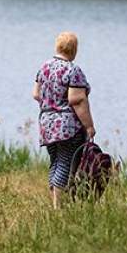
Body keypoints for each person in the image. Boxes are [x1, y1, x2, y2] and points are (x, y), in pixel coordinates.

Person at [32, 31, 95, 209]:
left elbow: (36, 94)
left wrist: (50, 103)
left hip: (46, 124)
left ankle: (55, 201)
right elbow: (77, 100)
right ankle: (58, 207)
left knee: (56, 161)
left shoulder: (44, 67)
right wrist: (89, 126)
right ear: (74, 49)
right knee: (66, 162)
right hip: (67, 127)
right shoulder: (72, 70)